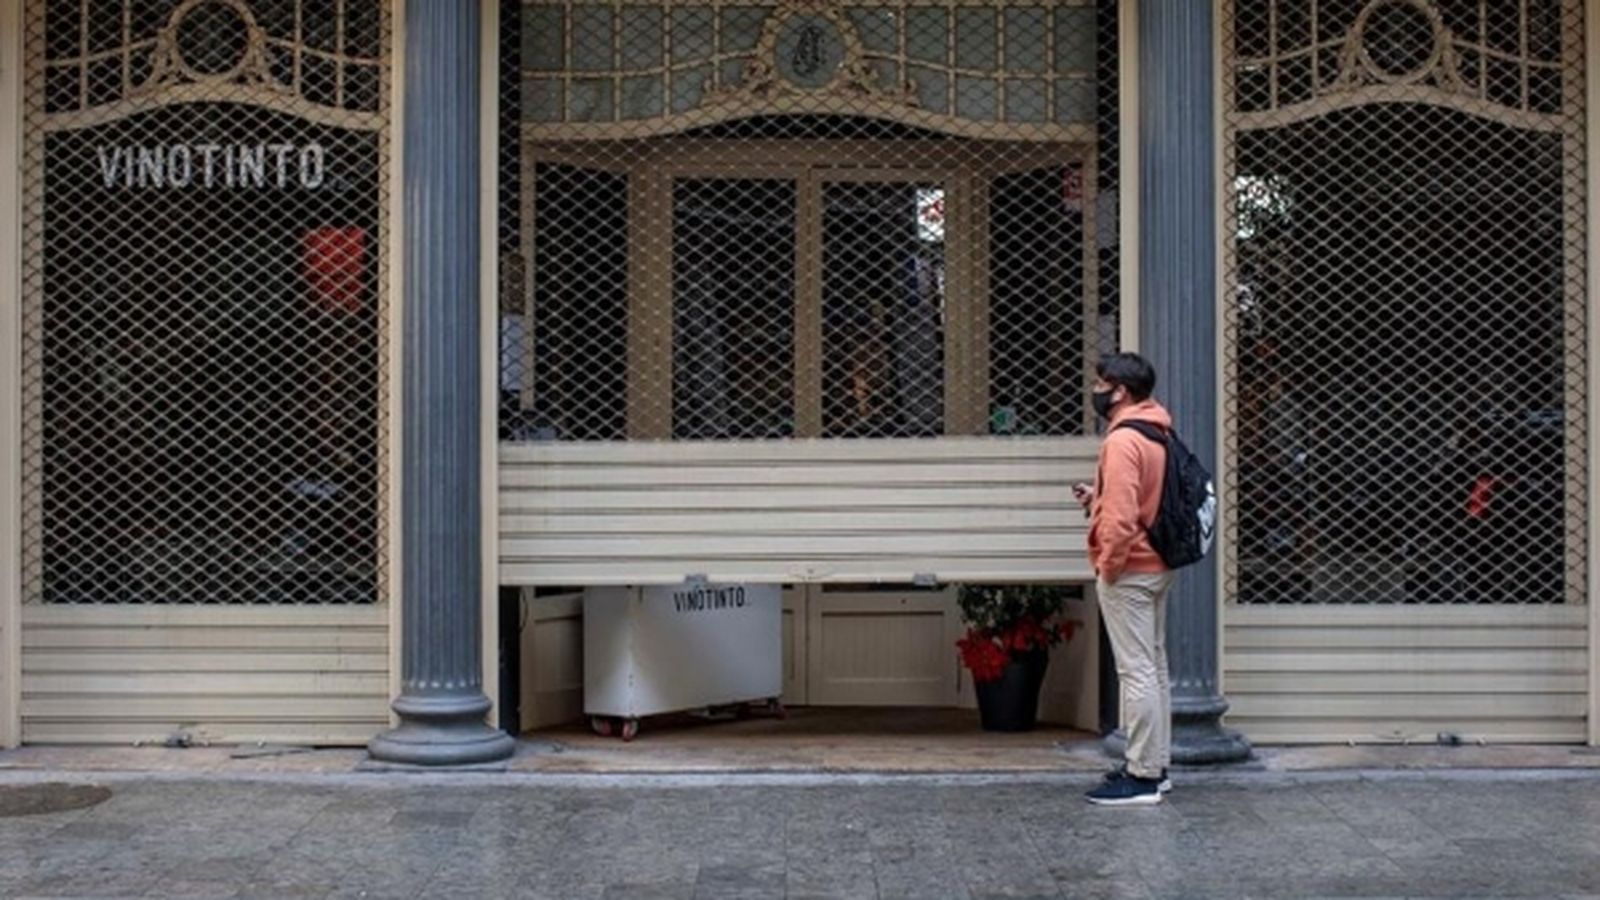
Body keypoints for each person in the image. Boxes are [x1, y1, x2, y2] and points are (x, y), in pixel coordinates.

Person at [1072, 352, 1176, 806]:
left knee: (1135, 673)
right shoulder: (1157, 431)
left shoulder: (1121, 442)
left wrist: (1108, 566)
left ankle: (1142, 775)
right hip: (1157, 565)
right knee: (1154, 668)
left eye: (1101, 383)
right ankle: (1157, 763)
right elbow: (1146, 495)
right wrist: (1098, 496)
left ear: (1120, 391)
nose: (1095, 390)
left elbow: (1120, 519)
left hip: (1130, 569)